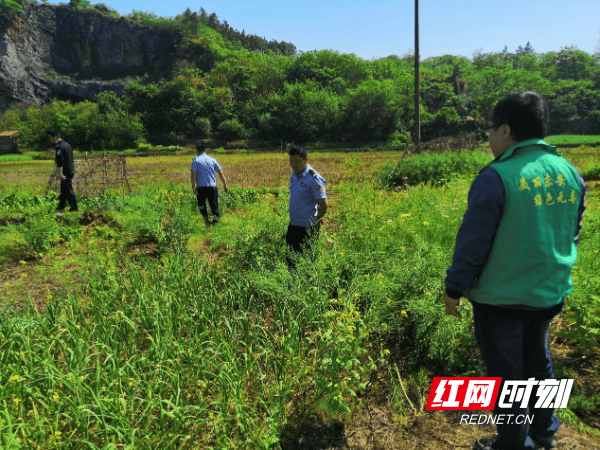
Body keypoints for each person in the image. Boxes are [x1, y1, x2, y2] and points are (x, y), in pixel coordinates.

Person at [443, 91, 586, 450]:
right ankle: (543, 435)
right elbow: (572, 232)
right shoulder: (571, 173)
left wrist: (453, 288)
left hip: (501, 299)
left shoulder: (497, 176)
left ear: (505, 131)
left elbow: (473, 244)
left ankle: (511, 443)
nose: (489, 137)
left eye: (491, 129)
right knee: (539, 363)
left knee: (507, 379)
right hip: (548, 294)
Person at [286, 144, 328, 268]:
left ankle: (309, 284)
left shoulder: (314, 179)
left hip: (307, 227)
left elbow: (323, 204)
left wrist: (316, 220)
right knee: (290, 257)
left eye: (297, 161)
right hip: (294, 224)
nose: (294, 164)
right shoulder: (294, 175)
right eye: (291, 161)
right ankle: (292, 283)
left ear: (306, 160)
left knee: (308, 260)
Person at [190, 142, 229, 225]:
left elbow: (193, 174)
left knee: (201, 205)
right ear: (205, 150)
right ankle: (216, 224)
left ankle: (206, 221)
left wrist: (193, 187)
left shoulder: (196, 160)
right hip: (212, 187)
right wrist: (225, 184)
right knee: (214, 206)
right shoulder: (212, 160)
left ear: (197, 151)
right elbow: (220, 173)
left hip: (201, 188)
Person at [48, 129, 78, 213]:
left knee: (68, 189)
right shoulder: (67, 145)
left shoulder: (59, 147)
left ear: (55, 137)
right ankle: (61, 206)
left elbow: (60, 161)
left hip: (65, 171)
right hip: (71, 169)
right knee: (64, 189)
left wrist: (60, 173)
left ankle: (74, 207)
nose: (50, 140)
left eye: (50, 137)